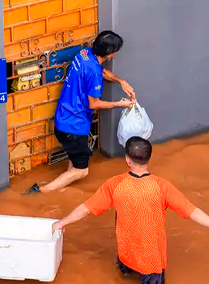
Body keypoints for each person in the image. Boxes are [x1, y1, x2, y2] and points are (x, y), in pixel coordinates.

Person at [52, 137, 209, 284]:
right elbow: (192, 212)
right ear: (149, 159)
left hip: (126, 253)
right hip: (152, 260)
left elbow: (86, 209)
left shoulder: (114, 185)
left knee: (123, 281)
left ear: (127, 159)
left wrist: (62, 222)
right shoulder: (162, 187)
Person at [26, 31, 136, 194]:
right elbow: (94, 104)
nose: (116, 53)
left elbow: (102, 72)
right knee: (81, 171)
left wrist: (121, 81)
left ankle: (62, 190)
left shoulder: (84, 54)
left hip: (63, 119)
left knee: (74, 162)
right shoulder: (94, 74)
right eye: (115, 50)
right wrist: (120, 104)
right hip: (74, 127)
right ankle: (40, 192)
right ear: (110, 54)